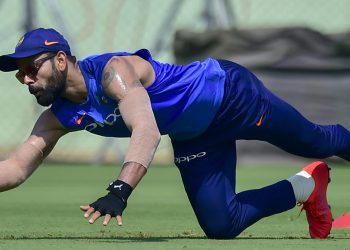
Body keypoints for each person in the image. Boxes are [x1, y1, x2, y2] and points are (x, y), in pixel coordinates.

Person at [0, 28, 349, 239]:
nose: (26, 79)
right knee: (222, 225)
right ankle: (308, 186)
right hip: (196, 136)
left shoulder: (112, 72)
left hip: (232, 97)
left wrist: (121, 188)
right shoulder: (58, 117)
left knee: (317, 141)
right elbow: (15, 169)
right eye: (19, 75)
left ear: (61, 60)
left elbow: (147, 129)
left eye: (31, 68)